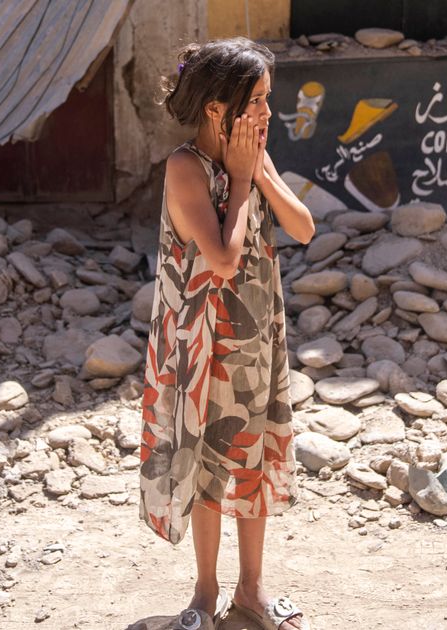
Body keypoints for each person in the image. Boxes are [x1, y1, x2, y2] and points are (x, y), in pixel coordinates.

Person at [137, 37, 316, 630]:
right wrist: (240, 183)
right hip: (201, 343)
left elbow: (304, 226)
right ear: (218, 109)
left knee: (253, 455)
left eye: (269, 99)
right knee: (208, 460)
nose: (268, 113)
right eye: (258, 101)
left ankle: (253, 591)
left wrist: (256, 174)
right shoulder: (185, 168)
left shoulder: (254, 157)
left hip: (255, 335)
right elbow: (221, 259)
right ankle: (205, 593)